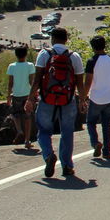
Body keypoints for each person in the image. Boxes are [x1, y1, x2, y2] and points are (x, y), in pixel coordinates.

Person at [25, 27, 86, 179]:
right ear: (66, 39)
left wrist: (30, 99)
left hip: (47, 99)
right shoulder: (75, 56)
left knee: (43, 131)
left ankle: (48, 156)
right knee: (67, 133)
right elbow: (80, 82)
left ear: (52, 39)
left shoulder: (44, 54)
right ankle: (67, 166)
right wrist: (83, 100)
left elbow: (37, 80)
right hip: (68, 100)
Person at [83, 35, 110, 160]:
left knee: (90, 122)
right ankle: (107, 152)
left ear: (93, 47)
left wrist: (83, 97)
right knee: (106, 124)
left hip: (96, 97)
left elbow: (88, 82)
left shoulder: (92, 61)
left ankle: (95, 143)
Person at [6, 45, 36, 150]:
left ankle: (19, 130)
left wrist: (8, 95)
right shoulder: (30, 65)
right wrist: (33, 94)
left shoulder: (11, 66)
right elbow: (31, 81)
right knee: (28, 117)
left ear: (16, 55)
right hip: (27, 95)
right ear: (26, 54)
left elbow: (10, 83)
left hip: (16, 94)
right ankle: (27, 140)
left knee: (15, 114)